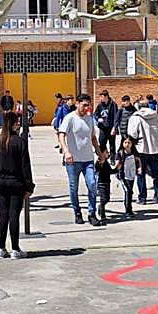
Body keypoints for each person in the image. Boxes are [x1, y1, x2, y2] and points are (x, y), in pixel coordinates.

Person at [0, 111, 34, 258]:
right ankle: (15, 249)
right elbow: (25, 166)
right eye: (17, 122)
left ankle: (1, 248)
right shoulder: (20, 142)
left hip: (0, 183)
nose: (19, 124)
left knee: (3, 215)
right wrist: (29, 186)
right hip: (16, 183)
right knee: (14, 215)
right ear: (13, 124)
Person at [58, 93, 104, 225]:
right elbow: (61, 135)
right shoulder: (70, 118)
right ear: (77, 104)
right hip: (73, 160)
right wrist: (66, 151)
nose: (86, 108)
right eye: (84, 105)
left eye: (88, 105)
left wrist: (99, 152)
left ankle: (92, 213)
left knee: (92, 185)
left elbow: (93, 137)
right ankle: (77, 212)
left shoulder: (89, 119)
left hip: (88, 159)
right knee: (74, 187)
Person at [128, 97, 158, 204]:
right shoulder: (156, 116)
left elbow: (132, 134)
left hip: (141, 150)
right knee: (157, 175)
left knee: (141, 174)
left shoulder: (135, 117)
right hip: (155, 149)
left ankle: (142, 198)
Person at [116, 136, 140, 218]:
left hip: (131, 175)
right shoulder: (120, 153)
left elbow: (138, 160)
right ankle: (128, 210)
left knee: (130, 191)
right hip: (123, 176)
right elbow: (117, 163)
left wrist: (139, 168)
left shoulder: (133, 152)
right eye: (125, 142)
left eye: (129, 143)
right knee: (128, 191)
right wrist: (115, 170)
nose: (127, 144)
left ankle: (129, 208)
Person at [93, 90, 120, 162]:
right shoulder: (100, 105)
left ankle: (112, 158)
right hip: (102, 128)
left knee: (112, 144)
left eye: (101, 97)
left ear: (106, 97)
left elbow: (116, 117)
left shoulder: (113, 104)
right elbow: (95, 114)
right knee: (102, 143)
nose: (100, 99)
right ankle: (104, 155)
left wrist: (114, 127)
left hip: (111, 128)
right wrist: (98, 118)